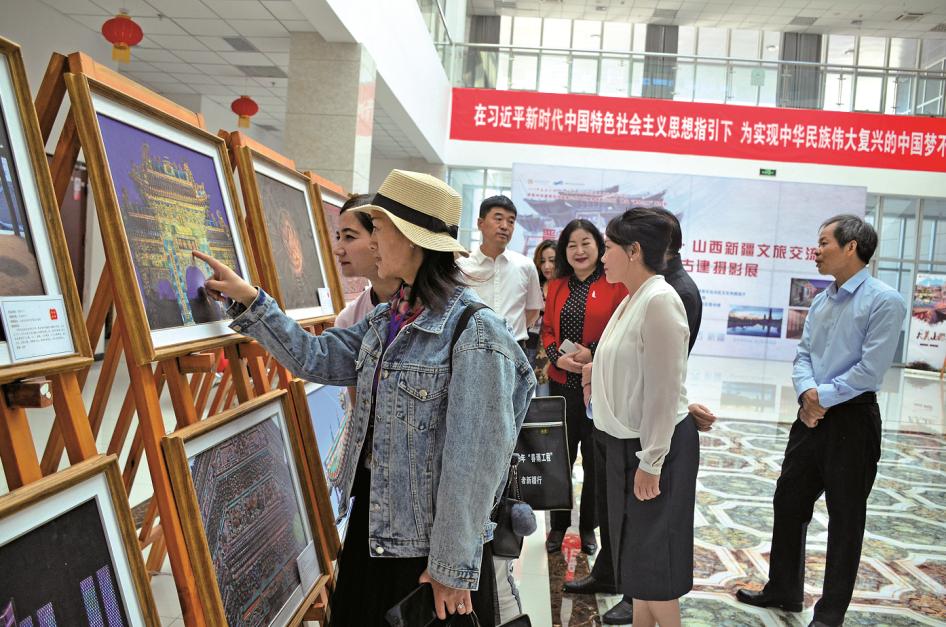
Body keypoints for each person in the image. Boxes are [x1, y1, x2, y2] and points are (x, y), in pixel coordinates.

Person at [193, 169, 536, 626]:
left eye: (379, 229)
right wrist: (252, 302)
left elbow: (474, 465)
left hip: (425, 552)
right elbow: (316, 357)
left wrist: (451, 567)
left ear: (412, 241)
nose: (372, 242)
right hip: (375, 528)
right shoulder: (389, 318)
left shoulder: (474, 332)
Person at [736, 214, 907, 627]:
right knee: (788, 500)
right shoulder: (821, 299)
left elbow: (870, 370)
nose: (816, 250)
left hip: (853, 420)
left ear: (851, 247)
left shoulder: (885, 300)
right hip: (810, 416)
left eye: (824, 242)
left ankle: (830, 614)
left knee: (845, 518)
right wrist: (806, 394)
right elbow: (803, 355)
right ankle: (784, 588)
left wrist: (820, 398)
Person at [567, 207, 716, 625]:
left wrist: (651, 461)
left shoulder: (660, 300)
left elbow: (664, 390)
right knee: (639, 569)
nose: (603, 257)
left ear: (633, 251)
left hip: (654, 448)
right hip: (629, 444)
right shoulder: (634, 298)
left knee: (656, 568)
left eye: (608, 247)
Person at [541, 219, 627, 555]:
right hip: (563, 386)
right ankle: (559, 524)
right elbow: (548, 330)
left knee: (595, 460)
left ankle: (588, 526)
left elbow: (622, 331)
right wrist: (557, 358)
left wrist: (593, 351)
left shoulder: (615, 285)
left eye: (586, 242)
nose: (579, 250)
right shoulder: (558, 285)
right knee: (560, 459)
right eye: (572, 244)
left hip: (599, 386)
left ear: (599, 246)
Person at [458, 195, 544, 348]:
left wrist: (512, 333)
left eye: (511, 221)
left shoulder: (525, 265)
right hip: (472, 348)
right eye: (498, 219)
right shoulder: (462, 267)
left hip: (515, 347)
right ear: (480, 223)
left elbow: (533, 311)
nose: (505, 226)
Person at [332, 193, 402, 329]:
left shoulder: (434, 307)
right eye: (338, 237)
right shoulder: (348, 319)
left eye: (349, 236)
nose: (337, 250)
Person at [528, 239, 557, 396]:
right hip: (529, 342)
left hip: (551, 347)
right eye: (543, 261)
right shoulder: (535, 284)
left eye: (552, 260)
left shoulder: (565, 286)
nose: (547, 266)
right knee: (524, 390)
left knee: (544, 393)